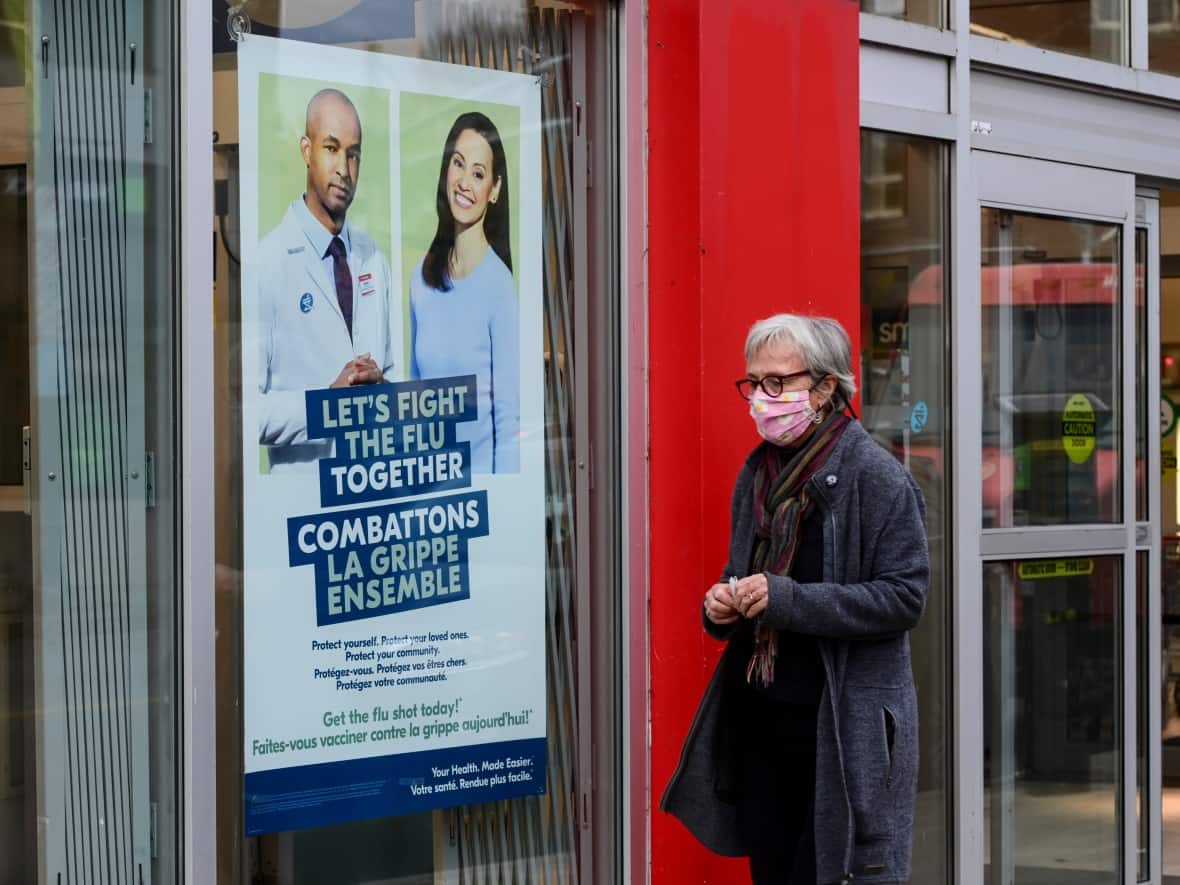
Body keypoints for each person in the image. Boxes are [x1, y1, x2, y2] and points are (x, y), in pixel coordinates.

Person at [661, 314, 929, 885]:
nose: (761, 398)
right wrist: (721, 607)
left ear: (827, 387)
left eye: (777, 383)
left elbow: (905, 597)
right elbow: (742, 575)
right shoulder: (757, 473)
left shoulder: (877, 477)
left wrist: (784, 599)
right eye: (753, 383)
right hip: (762, 721)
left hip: (839, 728)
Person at [256, 87, 399, 467]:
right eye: (331, 148)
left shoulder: (374, 259)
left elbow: (394, 381)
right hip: (305, 508)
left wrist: (381, 387)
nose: (344, 169)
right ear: (306, 150)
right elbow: (248, 412)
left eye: (354, 155)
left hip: (368, 493)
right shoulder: (268, 262)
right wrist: (326, 408)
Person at [409, 111, 519, 474]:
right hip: (425, 497)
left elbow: (508, 421)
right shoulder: (419, 281)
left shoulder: (500, 288)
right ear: (445, 171)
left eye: (478, 173)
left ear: (495, 189)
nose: (464, 183)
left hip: (479, 505)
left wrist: (505, 506)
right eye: (458, 164)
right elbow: (414, 402)